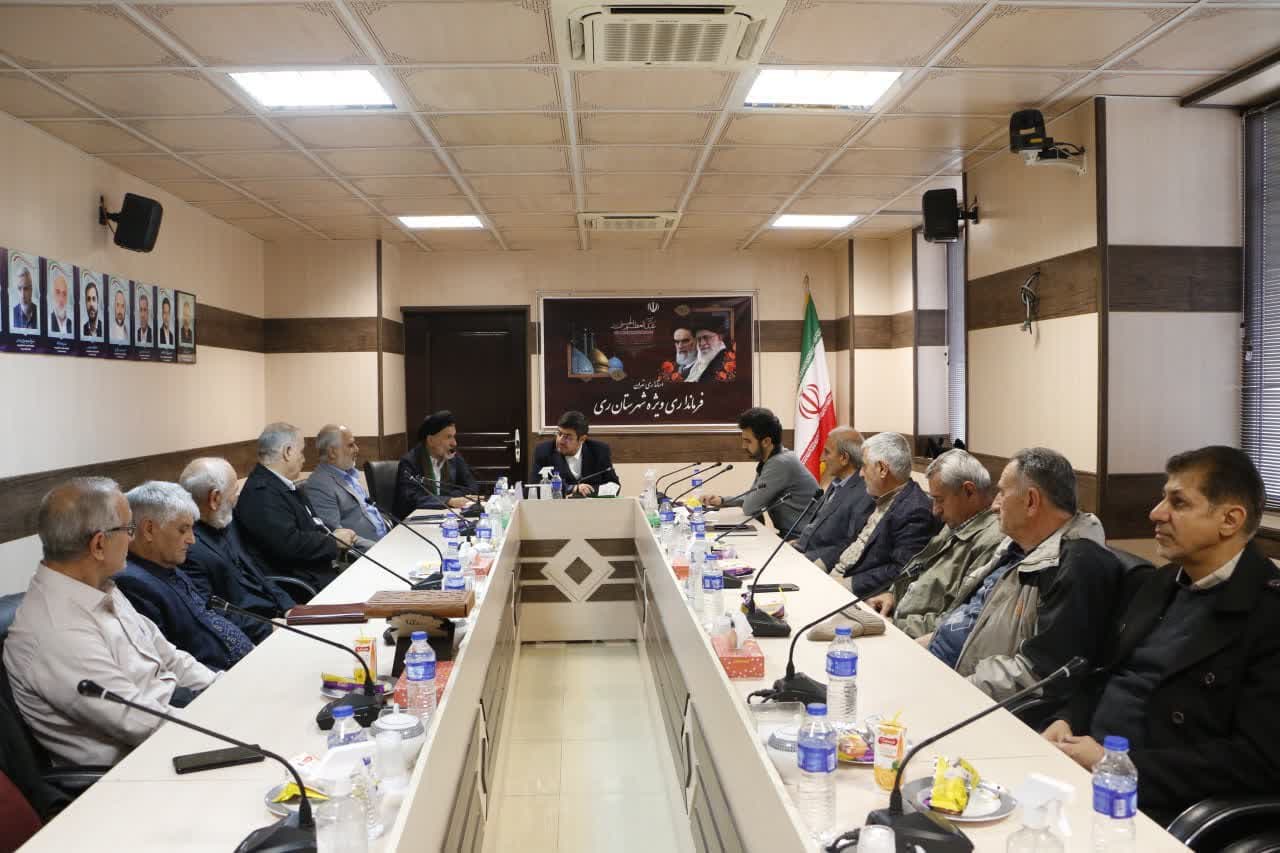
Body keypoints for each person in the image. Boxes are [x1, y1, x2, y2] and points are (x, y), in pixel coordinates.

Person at [1043, 446, 1280, 825]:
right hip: (1082, 769)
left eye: (1178, 503)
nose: (1156, 513)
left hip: (1157, 802)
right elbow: (1103, 672)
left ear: (1230, 520)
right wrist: (1067, 718)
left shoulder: (1268, 613)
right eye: (1162, 498)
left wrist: (1114, 763)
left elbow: (1256, 760)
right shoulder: (1159, 581)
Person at [2, 478, 217, 766]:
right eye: (129, 529)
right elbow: (140, 721)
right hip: (142, 765)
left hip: (178, 721)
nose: (132, 538)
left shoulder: (99, 586)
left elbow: (169, 656)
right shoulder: (57, 631)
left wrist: (223, 687)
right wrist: (222, 720)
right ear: (99, 544)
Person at [923, 447, 1124, 702]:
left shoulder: (1078, 566)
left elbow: (1038, 673)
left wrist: (948, 690)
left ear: (1031, 501)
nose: (994, 505)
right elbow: (968, 618)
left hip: (966, 694)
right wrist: (917, 649)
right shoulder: (1018, 546)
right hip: (938, 666)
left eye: (1002, 493)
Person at [114, 482, 254, 672]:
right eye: (183, 529)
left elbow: (210, 619)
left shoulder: (167, 564)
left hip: (248, 659)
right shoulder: (133, 584)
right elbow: (168, 664)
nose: (192, 540)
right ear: (149, 529)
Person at [867, 449, 1006, 639]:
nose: (935, 510)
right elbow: (920, 572)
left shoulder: (992, 541)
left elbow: (956, 619)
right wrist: (892, 596)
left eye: (939, 500)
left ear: (969, 491)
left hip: (915, 638)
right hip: (897, 619)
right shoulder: (957, 521)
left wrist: (897, 625)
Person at [178, 457, 294, 642]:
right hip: (255, 635)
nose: (236, 499)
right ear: (215, 498)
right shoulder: (188, 548)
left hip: (278, 615)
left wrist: (289, 607)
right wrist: (268, 627)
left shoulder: (225, 522)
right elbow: (212, 613)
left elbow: (257, 573)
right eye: (234, 491)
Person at [234, 422, 357, 595]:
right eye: (301, 452)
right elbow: (290, 545)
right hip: (302, 586)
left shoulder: (281, 485)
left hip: (320, 571)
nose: (304, 459)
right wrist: (333, 542)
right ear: (288, 452)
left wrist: (334, 535)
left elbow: (312, 525)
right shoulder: (261, 494)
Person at [829, 432, 940, 597]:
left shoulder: (915, 510)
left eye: (864, 466)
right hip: (835, 577)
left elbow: (901, 570)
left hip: (855, 592)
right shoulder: (880, 495)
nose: (860, 474)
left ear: (882, 469)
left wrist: (847, 584)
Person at [704, 407, 819, 536]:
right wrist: (722, 501)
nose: (743, 446)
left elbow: (750, 506)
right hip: (792, 535)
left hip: (801, 539)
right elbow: (753, 498)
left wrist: (728, 502)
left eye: (748, 441)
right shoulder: (773, 459)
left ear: (766, 441)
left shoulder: (780, 463)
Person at [790, 427, 874, 570]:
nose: (821, 458)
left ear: (844, 458)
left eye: (827, 452)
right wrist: (797, 543)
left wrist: (810, 560)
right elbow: (818, 526)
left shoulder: (864, 493)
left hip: (818, 564)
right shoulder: (837, 482)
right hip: (801, 551)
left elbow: (850, 544)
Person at [303, 424, 388, 548]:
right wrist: (379, 548)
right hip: (368, 551)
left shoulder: (348, 474)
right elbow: (336, 536)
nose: (357, 449)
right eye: (350, 445)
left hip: (385, 540)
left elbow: (368, 511)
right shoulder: (319, 485)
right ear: (332, 452)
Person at [394, 410, 480, 518]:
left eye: (454, 436)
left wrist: (448, 499)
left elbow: (472, 487)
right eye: (448, 437)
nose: (454, 443)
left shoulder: (454, 458)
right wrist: (448, 500)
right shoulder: (410, 462)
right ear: (431, 440)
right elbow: (411, 499)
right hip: (417, 521)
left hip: (448, 518)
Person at [531, 411, 619, 497]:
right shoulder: (544, 451)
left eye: (567, 437)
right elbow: (534, 486)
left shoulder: (599, 451)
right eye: (559, 433)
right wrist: (572, 488)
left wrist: (589, 491)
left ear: (582, 439)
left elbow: (614, 485)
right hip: (558, 506)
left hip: (592, 505)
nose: (561, 440)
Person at [684, 314, 730, 383]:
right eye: (699, 339)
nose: (702, 343)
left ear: (720, 337)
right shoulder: (692, 367)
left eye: (706, 337)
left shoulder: (727, 365)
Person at [48, 269, 72, 335]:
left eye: (64, 293)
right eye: (58, 292)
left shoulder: (71, 324)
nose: (61, 299)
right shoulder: (48, 321)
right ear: (52, 294)